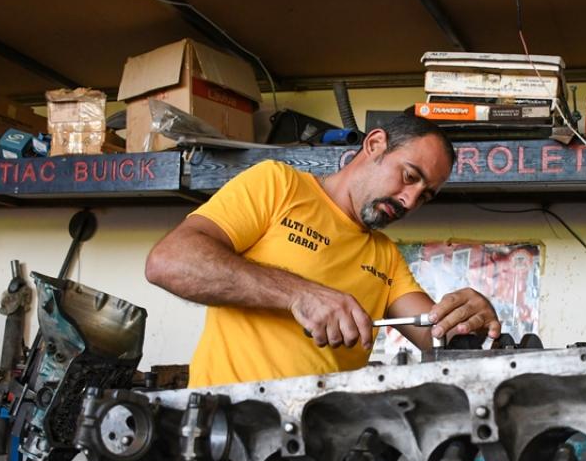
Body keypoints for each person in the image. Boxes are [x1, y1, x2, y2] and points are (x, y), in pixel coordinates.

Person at [144, 114, 501, 387]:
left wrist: (470, 320)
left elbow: (436, 335)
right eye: (409, 176)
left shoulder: (386, 257)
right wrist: (299, 294)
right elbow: (170, 261)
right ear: (375, 144)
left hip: (317, 445)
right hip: (226, 432)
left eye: (425, 196)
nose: (409, 201)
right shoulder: (278, 185)